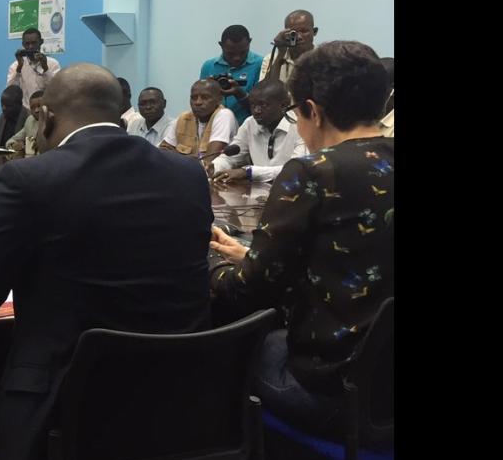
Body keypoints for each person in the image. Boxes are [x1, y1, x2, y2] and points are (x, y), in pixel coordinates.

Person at [0, 64, 212, 460]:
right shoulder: (188, 174)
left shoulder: (29, 179)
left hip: (66, 409)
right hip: (178, 404)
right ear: (120, 113)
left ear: (45, 117)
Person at [207, 41, 393, 434]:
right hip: (384, 382)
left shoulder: (314, 172)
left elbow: (251, 291)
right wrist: (248, 256)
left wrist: (215, 266)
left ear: (313, 111)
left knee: (230, 348)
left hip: (335, 386)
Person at [209, 78, 307, 185]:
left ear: (283, 105)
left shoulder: (301, 126)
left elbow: (296, 170)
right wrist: (214, 167)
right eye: (253, 105)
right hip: (258, 192)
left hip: (293, 191)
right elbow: (229, 158)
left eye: (263, 105)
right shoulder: (250, 123)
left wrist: (248, 172)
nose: (256, 111)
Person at [199, 24, 264, 125]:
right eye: (230, 53)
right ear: (221, 45)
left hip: (250, 129)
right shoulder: (209, 66)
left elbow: (263, 108)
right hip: (214, 127)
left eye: (243, 52)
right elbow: (200, 103)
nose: (237, 58)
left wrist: (239, 94)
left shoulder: (261, 65)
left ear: (249, 42)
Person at [160, 79, 237, 160]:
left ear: (219, 99)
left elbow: (210, 159)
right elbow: (162, 151)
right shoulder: (184, 118)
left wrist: (177, 157)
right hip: (184, 167)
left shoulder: (224, 114)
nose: (198, 102)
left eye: (205, 98)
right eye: (194, 98)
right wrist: (190, 158)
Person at [259, 10, 317, 86]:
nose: (299, 37)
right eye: (293, 33)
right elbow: (265, 90)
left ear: (314, 32)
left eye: (304, 31)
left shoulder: (324, 58)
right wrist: (280, 55)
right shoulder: (271, 59)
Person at [5, 27, 61, 101]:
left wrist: (45, 68)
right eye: (27, 44)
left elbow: (56, 89)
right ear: (23, 44)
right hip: (25, 108)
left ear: (41, 42)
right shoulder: (16, 66)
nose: (30, 47)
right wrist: (19, 68)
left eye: (34, 43)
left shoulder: (53, 64)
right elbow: (10, 91)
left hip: (46, 106)